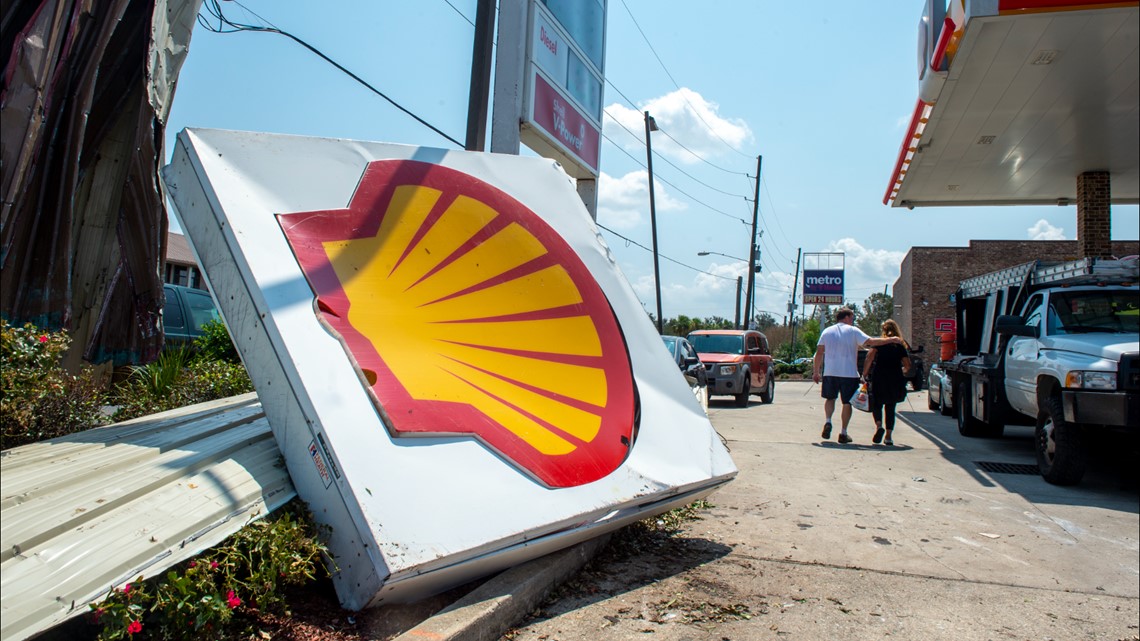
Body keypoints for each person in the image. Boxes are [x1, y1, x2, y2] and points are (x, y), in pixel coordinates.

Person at [812, 308, 903, 443]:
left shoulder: (827, 331)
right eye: (852, 317)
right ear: (847, 317)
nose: (853, 320)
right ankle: (843, 432)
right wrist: (891, 339)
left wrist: (816, 372)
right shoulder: (853, 331)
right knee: (847, 402)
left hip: (830, 372)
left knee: (830, 398)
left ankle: (828, 421)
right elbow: (871, 342)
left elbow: (819, 352)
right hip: (848, 373)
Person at [862, 320, 912, 446]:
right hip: (895, 377)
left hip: (879, 376)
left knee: (877, 404)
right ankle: (889, 436)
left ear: (883, 331)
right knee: (891, 406)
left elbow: (869, 357)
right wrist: (902, 371)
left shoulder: (879, 344)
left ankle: (879, 426)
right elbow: (907, 365)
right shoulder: (900, 346)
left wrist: (865, 373)